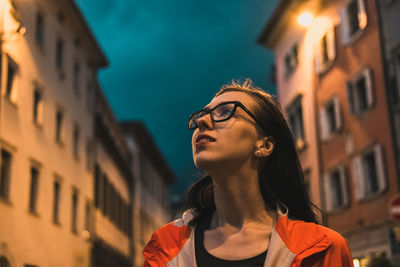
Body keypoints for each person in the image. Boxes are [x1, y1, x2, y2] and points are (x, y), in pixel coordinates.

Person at [142, 79, 354, 267]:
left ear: (265, 145)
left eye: (225, 112)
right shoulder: (164, 248)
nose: (202, 121)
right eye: (202, 115)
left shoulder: (322, 250)